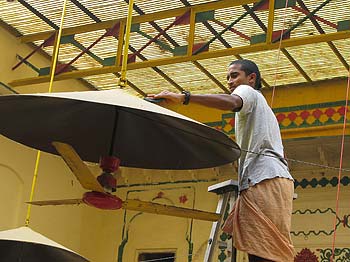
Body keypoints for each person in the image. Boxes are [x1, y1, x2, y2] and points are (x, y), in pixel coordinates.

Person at [148, 59, 295, 262]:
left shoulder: (248, 92)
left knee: (262, 253)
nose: (230, 81)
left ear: (251, 78)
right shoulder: (264, 110)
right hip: (277, 182)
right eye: (228, 77)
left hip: (264, 180)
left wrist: (183, 97)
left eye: (235, 75)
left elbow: (231, 102)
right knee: (269, 252)